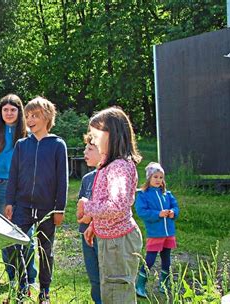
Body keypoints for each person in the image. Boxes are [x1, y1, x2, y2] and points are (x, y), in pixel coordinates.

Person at [5, 97, 68, 303]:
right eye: (28, 116)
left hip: (47, 209)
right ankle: (23, 287)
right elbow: (13, 175)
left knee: (45, 250)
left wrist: (60, 208)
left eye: (35, 116)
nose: (30, 120)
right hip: (22, 206)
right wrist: (9, 202)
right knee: (18, 245)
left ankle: (45, 291)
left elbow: (62, 180)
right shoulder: (22, 145)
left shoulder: (57, 145)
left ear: (47, 117)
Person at [81, 106, 143, 303]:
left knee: (118, 293)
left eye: (96, 135)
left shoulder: (119, 168)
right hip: (112, 239)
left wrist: (87, 208)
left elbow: (117, 206)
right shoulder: (110, 165)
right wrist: (94, 224)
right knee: (109, 290)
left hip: (119, 242)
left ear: (113, 135)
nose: (93, 140)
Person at [0, 94, 38, 288]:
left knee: (26, 233)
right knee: (5, 234)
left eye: (12, 109)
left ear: (19, 111)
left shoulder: (27, 136)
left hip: (23, 187)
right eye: (5, 109)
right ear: (0, 112)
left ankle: (30, 278)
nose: (8, 113)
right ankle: (12, 277)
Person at [134, 162, 179, 297]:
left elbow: (176, 207)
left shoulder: (167, 194)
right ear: (149, 178)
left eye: (161, 177)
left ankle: (164, 284)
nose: (158, 180)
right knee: (150, 260)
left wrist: (173, 212)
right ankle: (140, 285)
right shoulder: (143, 195)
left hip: (168, 233)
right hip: (155, 232)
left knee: (166, 259)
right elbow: (142, 212)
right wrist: (157, 214)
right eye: (155, 177)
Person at [76, 134, 102, 304]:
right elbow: (79, 214)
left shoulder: (109, 177)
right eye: (85, 148)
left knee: (107, 276)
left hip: (103, 235)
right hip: (86, 234)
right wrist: (84, 217)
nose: (85, 152)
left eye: (90, 149)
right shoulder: (87, 179)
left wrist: (89, 214)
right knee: (94, 278)